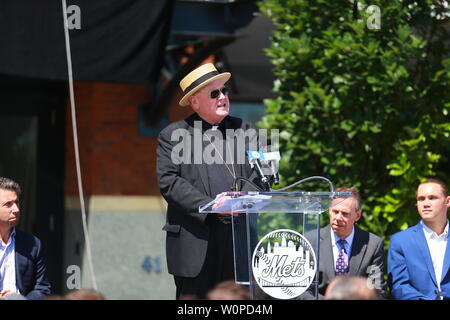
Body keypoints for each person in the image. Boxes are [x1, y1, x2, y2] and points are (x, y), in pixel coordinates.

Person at [157, 63, 262, 299]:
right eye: (215, 93)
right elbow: (168, 181)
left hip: (238, 239)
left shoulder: (245, 129)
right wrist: (211, 205)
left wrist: (240, 200)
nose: (223, 97)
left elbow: (260, 173)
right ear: (194, 102)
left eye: (225, 91)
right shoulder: (173, 135)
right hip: (196, 238)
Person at [303, 187, 386, 299]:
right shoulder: (311, 240)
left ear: (357, 215)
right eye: (335, 211)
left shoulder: (373, 244)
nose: (338, 218)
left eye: (345, 213)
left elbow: (377, 290)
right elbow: (303, 289)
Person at [388, 178, 450, 300]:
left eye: (432, 198)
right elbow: (399, 286)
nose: (426, 203)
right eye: (421, 199)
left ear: (447, 202)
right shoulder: (400, 241)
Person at [0, 177, 51, 299]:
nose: (16, 209)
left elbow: (42, 288)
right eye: (8, 204)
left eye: (16, 202)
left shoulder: (33, 244)